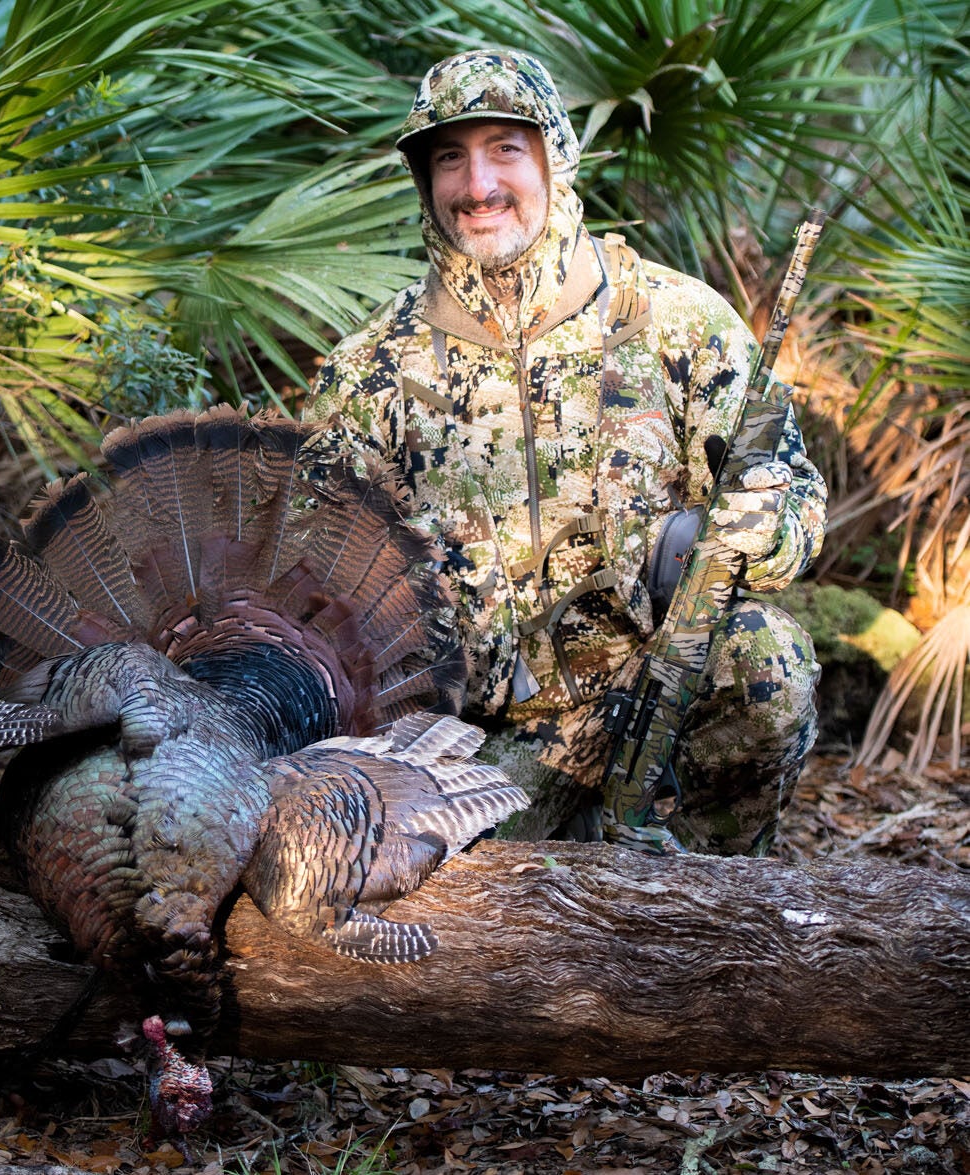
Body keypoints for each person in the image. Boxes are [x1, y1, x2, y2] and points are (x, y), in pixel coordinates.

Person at [305, 49, 826, 855]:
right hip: (473, 745)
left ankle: (712, 898)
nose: (476, 185)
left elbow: (794, 502)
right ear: (425, 177)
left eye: (504, 149)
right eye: (450, 156)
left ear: (556, 153)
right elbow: (316, 596)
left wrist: (761, 529)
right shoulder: (369, 373)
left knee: (765, 660)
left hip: (655, 691)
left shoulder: (678, 323)